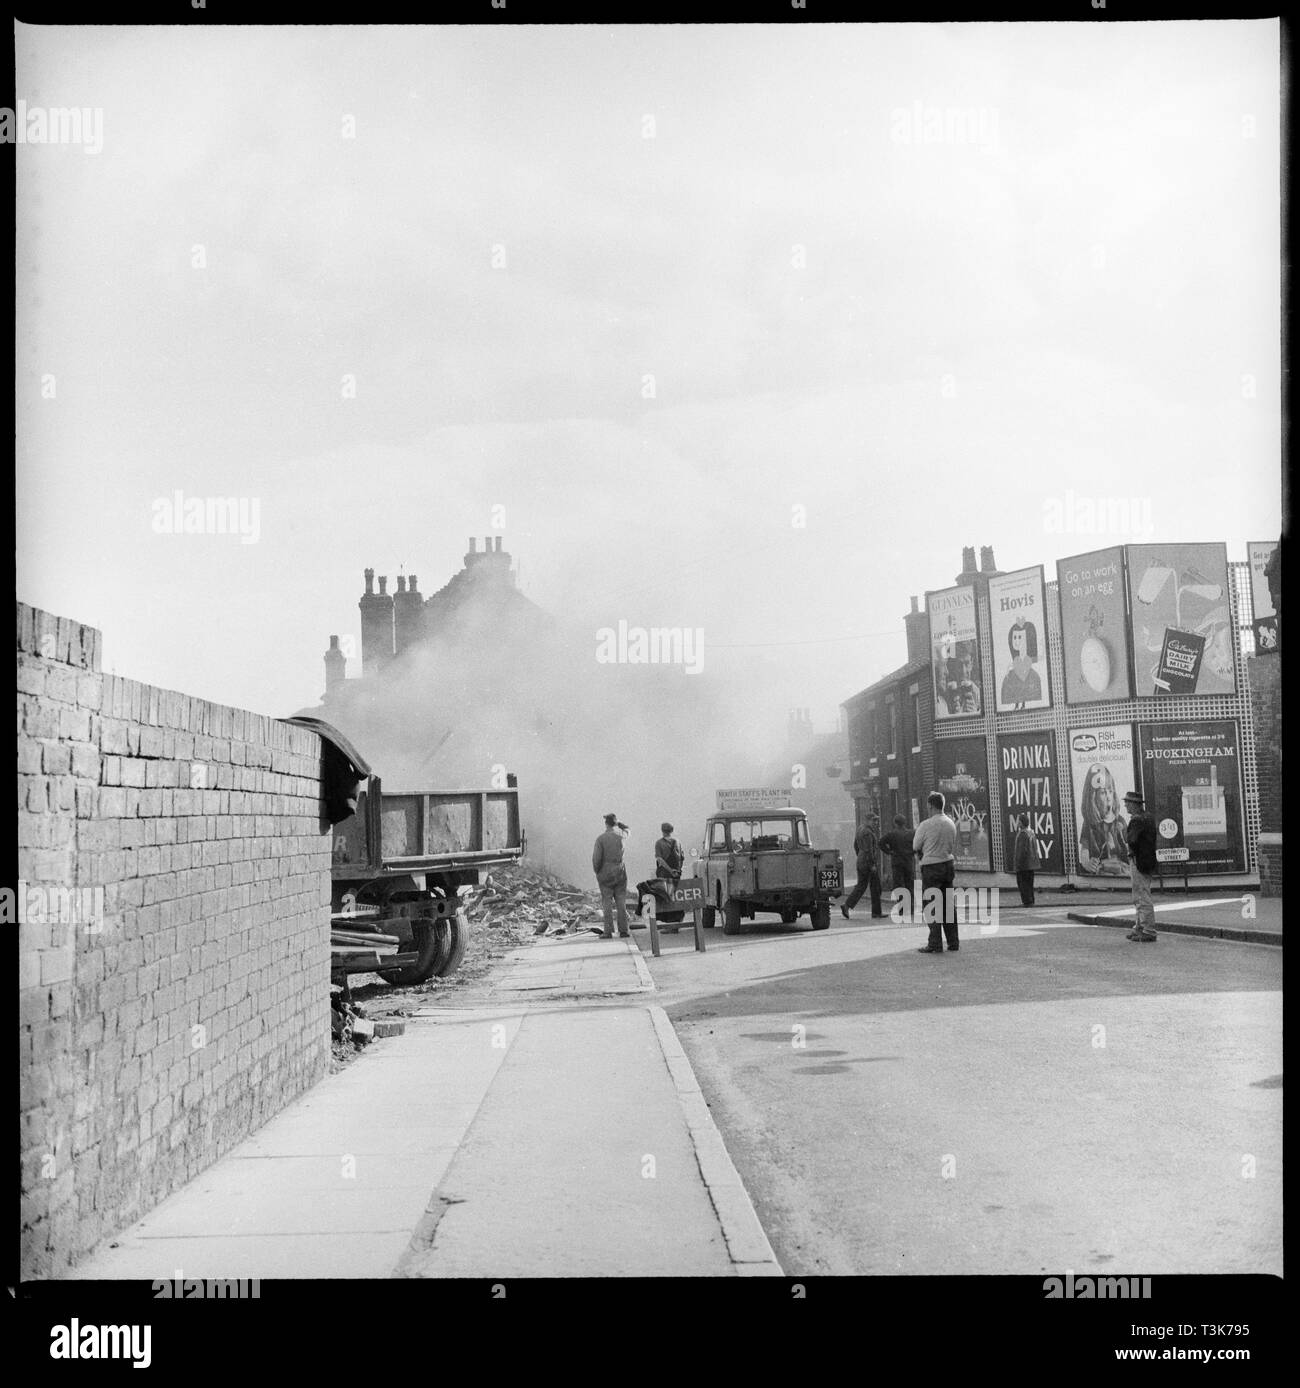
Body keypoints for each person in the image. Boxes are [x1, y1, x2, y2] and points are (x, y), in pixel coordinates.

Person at [913, 792, 959, 953]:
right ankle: (953, 942)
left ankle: (935, 944)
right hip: (947, 865)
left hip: (931, 867)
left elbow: (915, 846)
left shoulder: (925, 825)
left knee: (932, 906)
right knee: (948, 905)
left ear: (930, 806)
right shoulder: (951, 823)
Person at [1122, 790, 1158, 942]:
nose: (1126, 806)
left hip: (1138, 861)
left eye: (1128, 803)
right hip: (1148, 860)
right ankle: (1139, 927)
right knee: (1140, 894)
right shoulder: (1148, 817)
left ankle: (1148, 930)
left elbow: (1131, 840)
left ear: (1134, 805)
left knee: (1141, 896)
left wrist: (1124, 832)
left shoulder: (1136, 820)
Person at [592, 812, 629, 939]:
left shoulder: (601, 839)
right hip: (620, 871)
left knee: (606, 902)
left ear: (605, 823)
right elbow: (628, 829)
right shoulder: (622, 836)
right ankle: (624, 931)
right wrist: (619, 823)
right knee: (621, 902)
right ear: (615, 823)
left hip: (605, 873)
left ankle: (608, 932)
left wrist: (598, 872)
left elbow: (596, 859)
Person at [841, 813, 884, 918]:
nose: (876, 823)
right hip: (868, 862)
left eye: (876, 820)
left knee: (861, 886)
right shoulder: (868, 833)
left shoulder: (860, 829)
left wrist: (860, 856)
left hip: (861, 861)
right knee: (876, 887)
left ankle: (847, 905)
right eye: (874, 820)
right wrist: (872, 864)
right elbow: (869, 850)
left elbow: (855, 845)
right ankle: (876, 912)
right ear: (868, 820)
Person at [1000, 618, 1043, 708]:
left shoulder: (1033, 675)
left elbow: (1037, 659)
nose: (1016, 641)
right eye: (1014, 637)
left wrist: (1043, 647)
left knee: (1024, 688)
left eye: (1020, 637)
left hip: (1027, 678)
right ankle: (1016, 705)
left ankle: (1023, 704)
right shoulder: (1015, 661)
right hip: (1015, 676)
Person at [877, 815, 916, 894]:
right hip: (908, 861)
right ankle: (910, 903)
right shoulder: (911, 833)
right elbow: (917, 845)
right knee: (909, 883)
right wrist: (912, 852)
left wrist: (889, 852)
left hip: (897, 862)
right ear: (904, 823)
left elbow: (881, 843)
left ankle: (901, 903)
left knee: (898, 884)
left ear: (895, 823)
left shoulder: (891, 834)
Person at [1012, 812, 1041, 906]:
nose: (1018, 823)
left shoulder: (1022, 834)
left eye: (1019, 821)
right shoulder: (1031, 833)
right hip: (1031, 864)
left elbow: (1021, 851)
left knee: (1022, 884)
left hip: (1024, 864)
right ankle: (1031, 900)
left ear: (1021, 823)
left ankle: (1027, 902)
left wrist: (1018, 864)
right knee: (1029, 883)